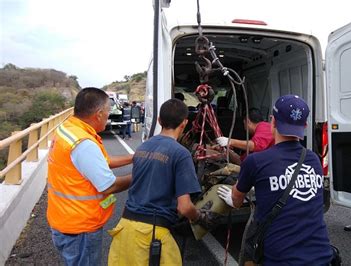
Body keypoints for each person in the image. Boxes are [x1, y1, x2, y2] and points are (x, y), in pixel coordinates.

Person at [217, 95, 333, 265]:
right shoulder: (314, 159)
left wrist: (232, 197)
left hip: (281, 258)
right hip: (321, 255)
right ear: (305, 126)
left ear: (272, 121)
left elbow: (236, 200)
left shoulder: (255, 161)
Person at [108, 98, 221, 265]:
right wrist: (200, 217)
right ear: (184, 123)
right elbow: (184, 206)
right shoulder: (180, 154)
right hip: (152, 236)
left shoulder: (143, 148)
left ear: (159, 120)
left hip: (124, 230)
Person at [47, 87, 133, 265]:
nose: (109, 116)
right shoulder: (83, 143)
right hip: (80, 228)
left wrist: (134, 158)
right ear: (99, 114)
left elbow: (101, 162)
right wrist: (142, 174)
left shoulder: (69, 129)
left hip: (64, 218)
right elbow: (109, 186)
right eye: (108, 112)